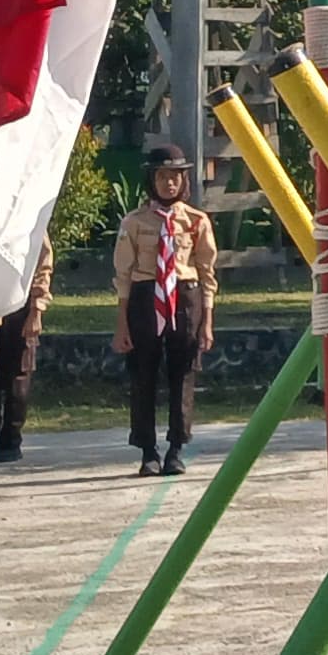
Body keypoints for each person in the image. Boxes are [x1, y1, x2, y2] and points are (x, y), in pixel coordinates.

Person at [117, 147, 219, 474]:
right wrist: (122, 325)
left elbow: (207, 274)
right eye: (161, 177)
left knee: (183, 373)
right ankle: (148, 450)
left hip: (184, 297)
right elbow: (123, 275)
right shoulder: (134, 222)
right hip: (145, 297)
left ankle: (176, 448)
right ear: (152, 180)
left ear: (183, 180)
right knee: (143, 374)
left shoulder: (196, 222)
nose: (169, 184)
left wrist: (207, 323)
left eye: (174, 177)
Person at [0, 280, 41, 464]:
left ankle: (11, 439)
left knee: (19, 375)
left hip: (21, 303)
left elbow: (41, 269)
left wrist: (36, 310)